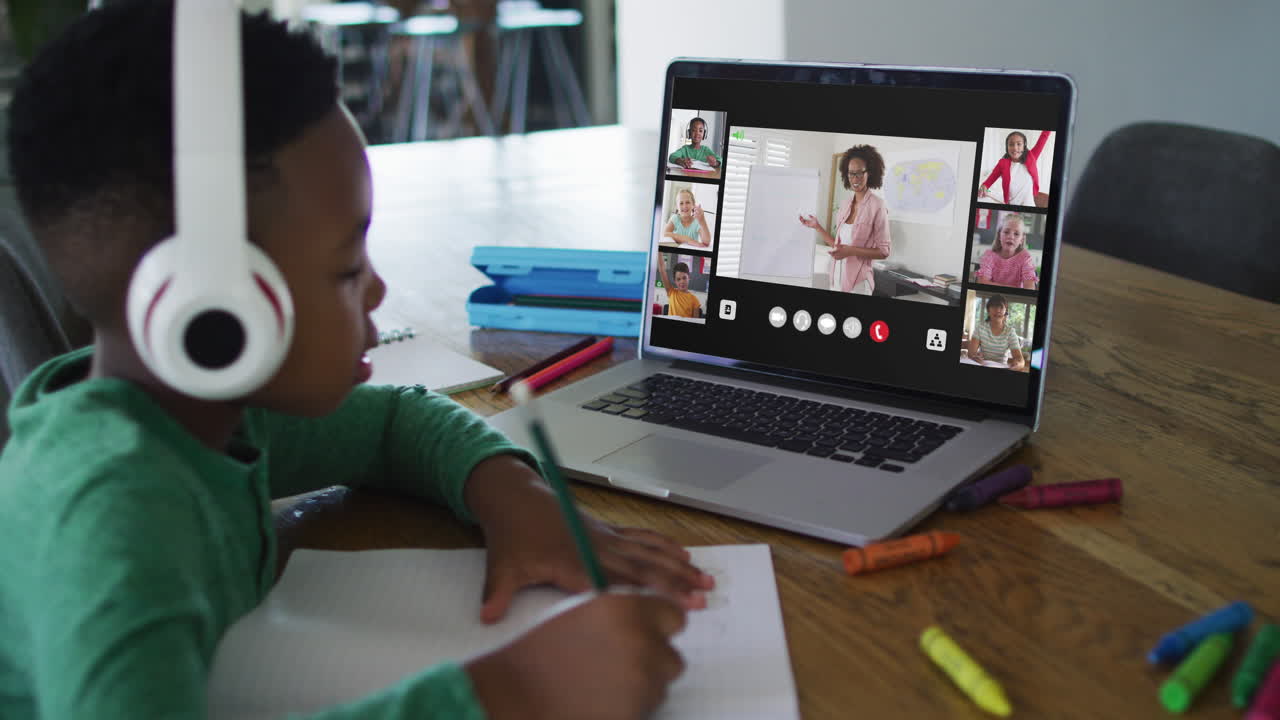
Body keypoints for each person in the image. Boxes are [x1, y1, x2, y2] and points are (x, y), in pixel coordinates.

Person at [0, 4, 712, 719]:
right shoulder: (113, 522)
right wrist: (510, 694)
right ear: (214, 311)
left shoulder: (203, 418)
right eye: (346, 269)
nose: (376, 288)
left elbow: (392, 422)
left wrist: (516, 500)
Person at [798, 145, 890, 294]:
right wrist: (817, 226)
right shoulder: (845, 204)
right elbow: (838, 245)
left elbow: (884, 251)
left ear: (869, 173)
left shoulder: (877, 206)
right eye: (851, 173)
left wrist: (850, 251)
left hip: (859, 283)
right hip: (836, 278)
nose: (855, 178)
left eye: (860, 173)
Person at [977, 129, 1052, 206]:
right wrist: (983, 187)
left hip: (1028, 204)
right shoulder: (1002, 163)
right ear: (1007, 147)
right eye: (1011, 144)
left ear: (1024, 146)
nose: (1015, 148)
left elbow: (1044, 137)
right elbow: (989, 181)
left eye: (1019, 144)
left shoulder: (1031, 156)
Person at [975, 212, 1039, 289]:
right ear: (999, 235)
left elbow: (1029, 288)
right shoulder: (989, 255)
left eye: (1016, 234)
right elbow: (982, 283)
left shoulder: (1025, 258)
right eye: (1006, 232)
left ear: (1022, 239)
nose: (1011, 237)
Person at [966, 294, 1027, 370]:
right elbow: (971, 353)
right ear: (988, 310)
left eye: (1001, 307)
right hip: (982, 365)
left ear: (1005, 311)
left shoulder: (1010, 332)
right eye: (994, 306)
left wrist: (1017, 365)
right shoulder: (980, 328)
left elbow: (1020, 360)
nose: (998, 310)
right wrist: (975, 357)